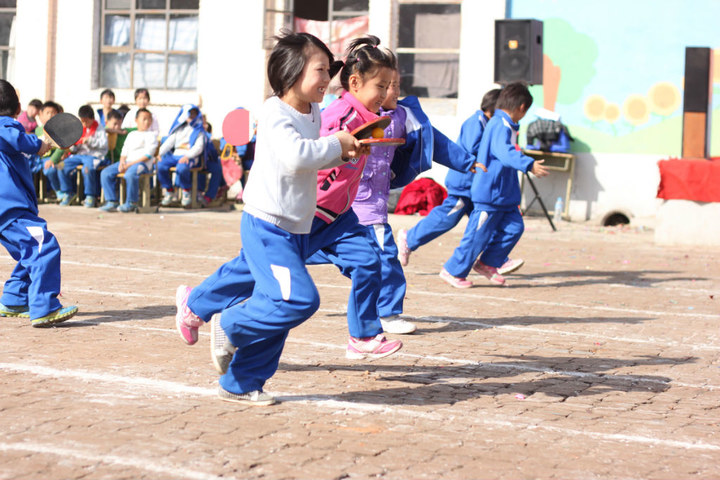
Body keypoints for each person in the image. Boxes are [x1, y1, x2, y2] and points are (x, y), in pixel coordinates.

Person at [176, 31, 385, 406]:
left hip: (297, 227)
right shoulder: (274, 112)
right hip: (267, 226)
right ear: (292, 72)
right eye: (320, 69)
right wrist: (338, 143)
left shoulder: (314, 111)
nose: (327, 78)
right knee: (296, 300)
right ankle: (228, 322)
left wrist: (346, 151)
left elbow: (312, 159)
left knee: (279, 304)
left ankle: (240, 382)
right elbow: (296, 157)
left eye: (329, 69)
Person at [397, 89, 524, 283]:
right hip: (464, 183)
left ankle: (493, 259)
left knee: (487, 223)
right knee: (447, 219)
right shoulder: (476, 123)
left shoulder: (493, 124)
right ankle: (410, 238)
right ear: (494, 108)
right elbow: (473, 150)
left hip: (479, 186)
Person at [441, 82, 549, 287]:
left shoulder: (506, 124)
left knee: (514, 228)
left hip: (505, 194)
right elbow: (504, 152)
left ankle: (488, 263)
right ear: (522, 108)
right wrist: (528, 164)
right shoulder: (500, 125)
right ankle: (452, 270)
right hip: (490, 193)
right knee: (477, 235)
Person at [0, 79, 78, 327]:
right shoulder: (7, 127)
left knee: (30, 251)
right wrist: (38, 144)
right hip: (11, 209)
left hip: (12, 210)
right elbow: (12, 135)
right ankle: (44, 307)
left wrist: (38, 147)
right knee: (45, 247)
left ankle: (14, 299)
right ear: (18, 108)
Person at [99, 108, 158, 213]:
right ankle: (112, 201)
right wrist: (122, 162)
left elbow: (148, 155)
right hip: (127, 162)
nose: (147, 122)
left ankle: (131, 202)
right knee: (105, 173)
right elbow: (124, 151)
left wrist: (129, 164)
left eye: (149, 119)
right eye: (144, 119)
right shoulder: (131, 134)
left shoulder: (152, 135)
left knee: (130, 174)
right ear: (136, 120)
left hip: (142, 165)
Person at [57, 105, 109, 207]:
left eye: (86, 121)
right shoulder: (79, 128)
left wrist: (90, 141)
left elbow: (104, 145)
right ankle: (68, 192)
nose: (84, 123)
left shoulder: (99, 128)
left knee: (87, 169)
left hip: (94, 156)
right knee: (61, 166)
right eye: (82, 121)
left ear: (92, 119)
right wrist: (72, 147)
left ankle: (90, 195)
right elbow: (74, 148)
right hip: (80, 155)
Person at [156, 104, 206, 207]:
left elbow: (199, 147)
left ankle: (186, 191)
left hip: (190, 157)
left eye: (194, 113)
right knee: (160, 165)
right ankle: (169, 190)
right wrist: (158, 154)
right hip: (176, 155)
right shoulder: (178, 129)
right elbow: (169, 143)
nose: (191, 116)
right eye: (189, 113)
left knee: (182, 168)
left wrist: (187, 156)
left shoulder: (199, 131)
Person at [35, 101, 65, 200]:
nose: (50, 115)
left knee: (50, 170)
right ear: (41, 115)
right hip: (38, 159)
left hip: (50, 159)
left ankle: (58, 191)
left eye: (53, 113)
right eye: (47, 113)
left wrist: (52, 160)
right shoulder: (38, 130)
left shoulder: (59, 131)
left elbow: (61, 149)